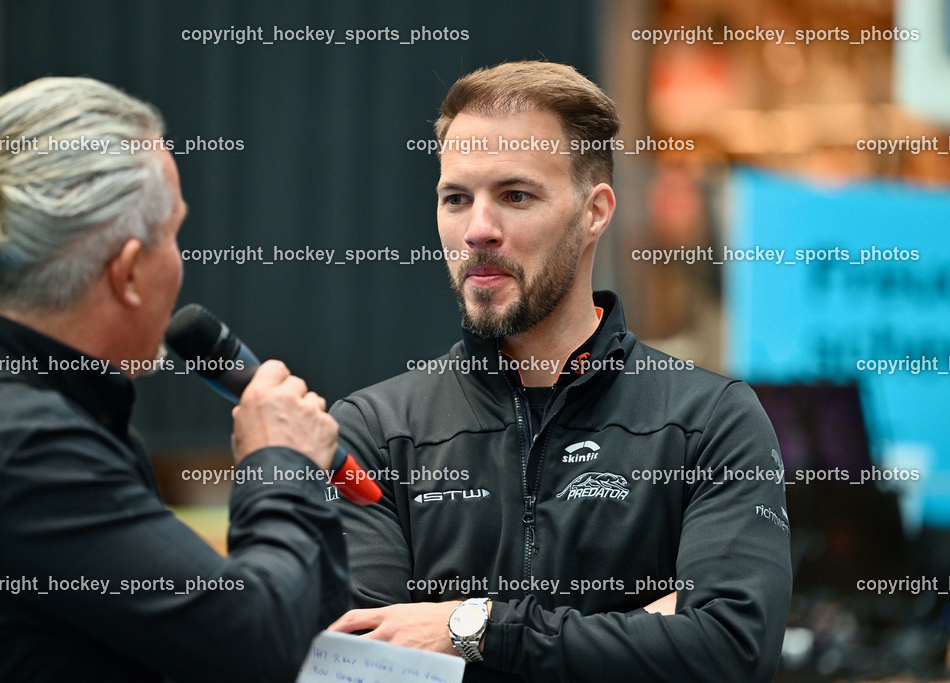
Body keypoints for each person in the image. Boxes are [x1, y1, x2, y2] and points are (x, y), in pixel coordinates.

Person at [327, 61, 791, 682]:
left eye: (515, 196)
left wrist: (473, 630)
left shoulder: (709, 420)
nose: (478, 231)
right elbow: (370, 667)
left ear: (595, 211)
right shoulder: (374, 433)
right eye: (456, 198)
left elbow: (730, 650)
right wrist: (643, 631)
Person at [0, 77, 347, 682]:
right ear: (126, 272)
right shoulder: (24, 449)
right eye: (174, 234)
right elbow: (256, 645)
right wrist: (280, 459)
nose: (181, 260)